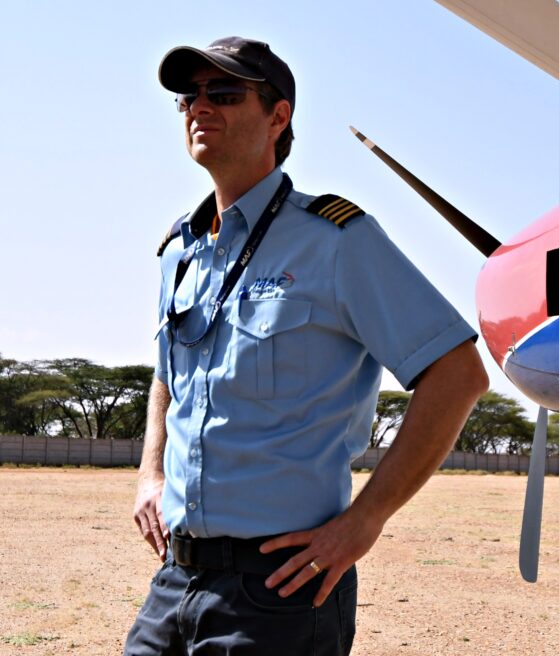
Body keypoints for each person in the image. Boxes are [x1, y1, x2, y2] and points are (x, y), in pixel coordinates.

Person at [125, 36, 488, 655]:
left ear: (278, 115)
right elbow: (167, 374)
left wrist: (364, 520)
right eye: (189, 96)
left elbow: (457, 373)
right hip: (175, 579)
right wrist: (149, 471)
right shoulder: (179, 252)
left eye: (225, 93)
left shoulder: (335, 238)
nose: (198, 107)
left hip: (279, 590)